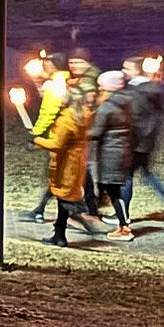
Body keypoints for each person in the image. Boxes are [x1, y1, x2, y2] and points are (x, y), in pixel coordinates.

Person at [37, 86, 105, 245]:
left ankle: (75, 220)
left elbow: (57, 144)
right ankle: (60, 234)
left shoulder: (67, 120)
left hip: (65, 164)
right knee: (64, 197)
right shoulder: (82, 115)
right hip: (76, 162)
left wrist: (36, 140)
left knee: (64, 197)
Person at [125, 61, 164, 225]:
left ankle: (123, 215)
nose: (124, 71)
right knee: (145, 173)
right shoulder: (151, 89)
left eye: (127, 68)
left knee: (126, 176)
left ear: (137, 70)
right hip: (147, 139)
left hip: (136, 140)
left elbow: (134, 116)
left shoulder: (136, 91)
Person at [88, 70, 138, 238]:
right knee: (111, 188)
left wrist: (79, 133)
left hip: (110, 152)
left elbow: (96, 132)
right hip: (123, 149)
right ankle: (116, 222)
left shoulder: (107, 108)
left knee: (113, 190)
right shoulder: (126, 103)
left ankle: (124, 227)